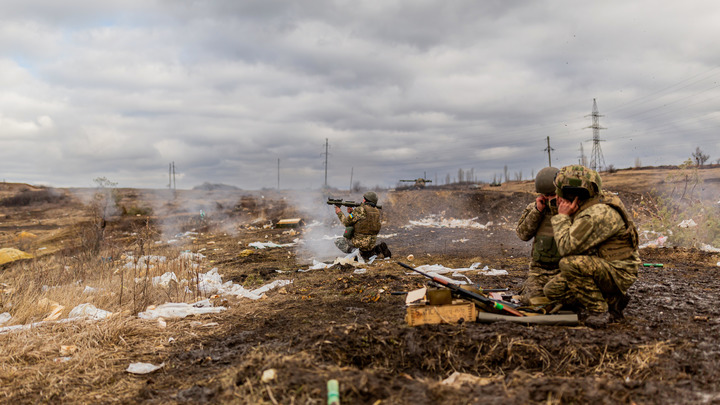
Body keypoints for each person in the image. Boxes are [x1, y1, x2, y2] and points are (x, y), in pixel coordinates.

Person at [543, 165, 641, 328]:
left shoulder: (595, 214)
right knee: (552, 291)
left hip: (619, 271)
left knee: (569, 264)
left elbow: (566, 247)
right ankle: (613, 300)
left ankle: (599, 310)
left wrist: (562, 217)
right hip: (606, 265)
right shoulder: (592, 203)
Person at [516, 166, 561, 306]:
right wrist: (537, 211)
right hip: (539, 271)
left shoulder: (572, 208)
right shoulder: (534, 209)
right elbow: (523, 234)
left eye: (552, 195)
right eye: (545, 195)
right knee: (532, 301)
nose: (548, 199)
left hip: (564, 270)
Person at [334, 191, 392, 260]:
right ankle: (375, 250)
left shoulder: (360, 209)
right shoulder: (376, 211)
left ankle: (357, 253)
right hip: (371, 243)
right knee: (365, 243)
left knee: (339, 241)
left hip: (360, 243)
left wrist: (339, 212)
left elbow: (346, 222)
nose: (363, 200)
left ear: (366, 200)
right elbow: (364, 220)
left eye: (364, 199)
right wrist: (352, 213)